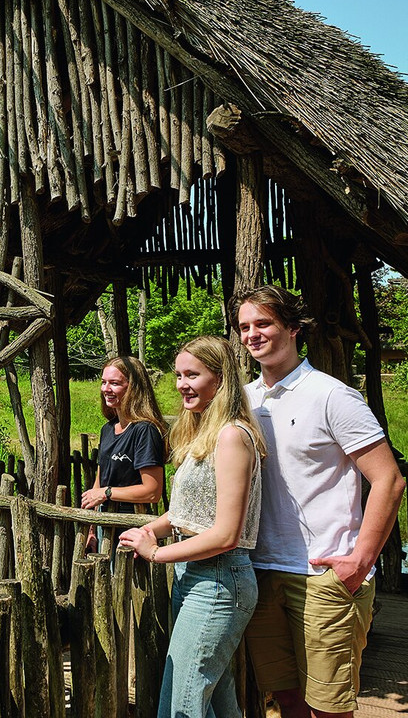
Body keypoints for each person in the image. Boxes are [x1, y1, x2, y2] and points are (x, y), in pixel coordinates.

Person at [231, 285, 405, 718]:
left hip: (322, 576)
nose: (252, 334)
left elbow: (389, 480)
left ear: (293, 328)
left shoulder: (332, 395)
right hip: (261, 572)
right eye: (244, 326)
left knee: (329, 709)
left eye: (263, 323)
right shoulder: (244, 401)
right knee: (284, 700)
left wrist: (359, 562)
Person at [119, 335, 265, 718]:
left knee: (181, 704)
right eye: (178, 375)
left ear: (220, 378)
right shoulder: (205, 433)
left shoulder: (233, 436)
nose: (182, 384)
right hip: (196, 577)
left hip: (219, 580)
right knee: (214, 698)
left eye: (192, 375)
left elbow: (225, 533)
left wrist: (156, 553)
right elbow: (184, 513)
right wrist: (151, 530)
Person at [80, 356, 167, 520]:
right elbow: (98, 484)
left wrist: (107, 493)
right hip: (103, 522)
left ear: (133, 388)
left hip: (130, 523)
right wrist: (91, 529)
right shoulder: (107, 429)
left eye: (114, 383)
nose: (106, 389)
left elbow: (152, 492)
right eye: (103, 382)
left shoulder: (145, 431)